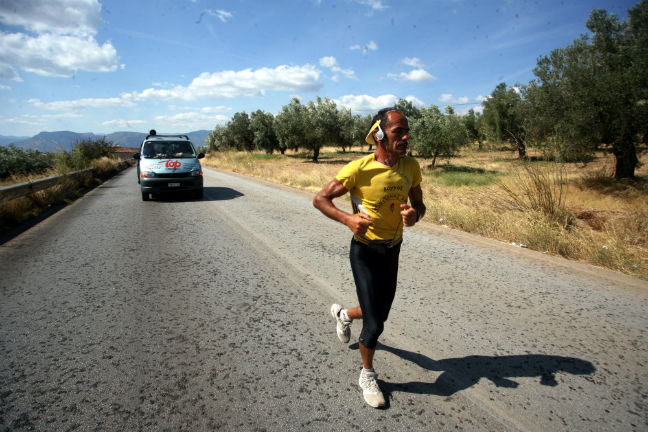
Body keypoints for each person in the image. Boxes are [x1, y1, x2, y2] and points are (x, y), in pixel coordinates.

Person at [313, 108, 426, 408]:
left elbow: (420, 205)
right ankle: (367, 375)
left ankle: (345, 315)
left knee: (379, 313)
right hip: (364, 251)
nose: (405, 137)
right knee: (375, 324)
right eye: (398, 131)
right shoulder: (358, 169)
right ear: (379, 133)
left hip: (393, 249)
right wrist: (347, 220)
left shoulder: (410, 166)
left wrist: (415, 216)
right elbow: (320, 199)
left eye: (406, 132)